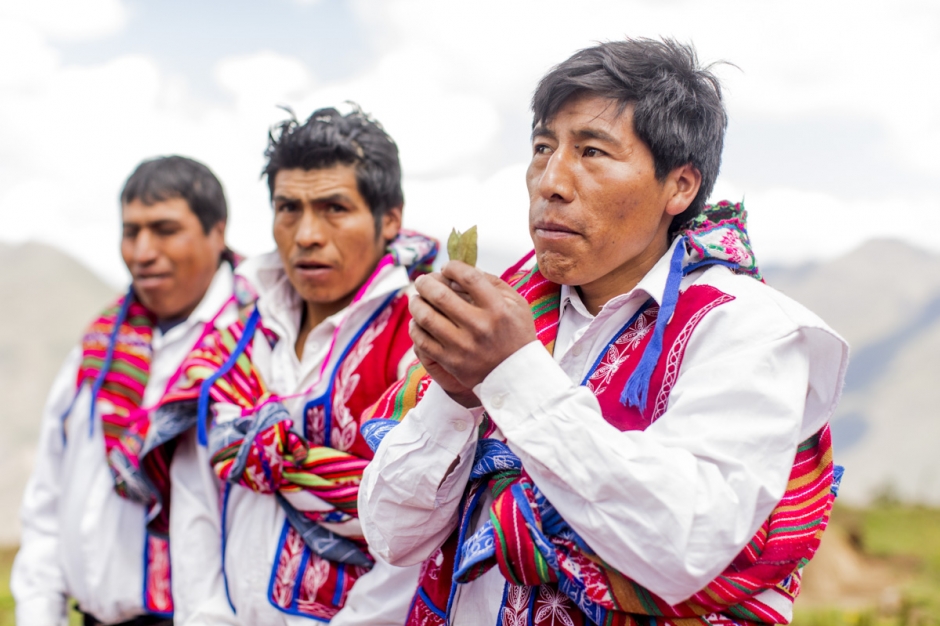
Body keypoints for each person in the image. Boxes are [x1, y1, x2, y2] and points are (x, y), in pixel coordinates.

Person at [359, 39, 849, 626]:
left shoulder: (748, 329)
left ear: (680, 187)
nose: (551, 181)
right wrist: (458, 396)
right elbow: (392, 536)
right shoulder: (508, 313)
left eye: (592, 151)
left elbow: (684, 545)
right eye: (543, 148)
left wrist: (512, 374)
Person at [155, 106, 433, 625]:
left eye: (334, 208)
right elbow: (195, 495)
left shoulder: (424, 337)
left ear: (389, 218)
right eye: (288, 208)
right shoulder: (233, 338)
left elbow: (425, 523)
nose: (306, 234)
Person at [13, 156, 237, 626]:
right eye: (131, 231)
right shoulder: (99, 347)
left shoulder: (250, 344)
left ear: (217, 231)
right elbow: (49, 496)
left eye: (164, 229)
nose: (142, 251)